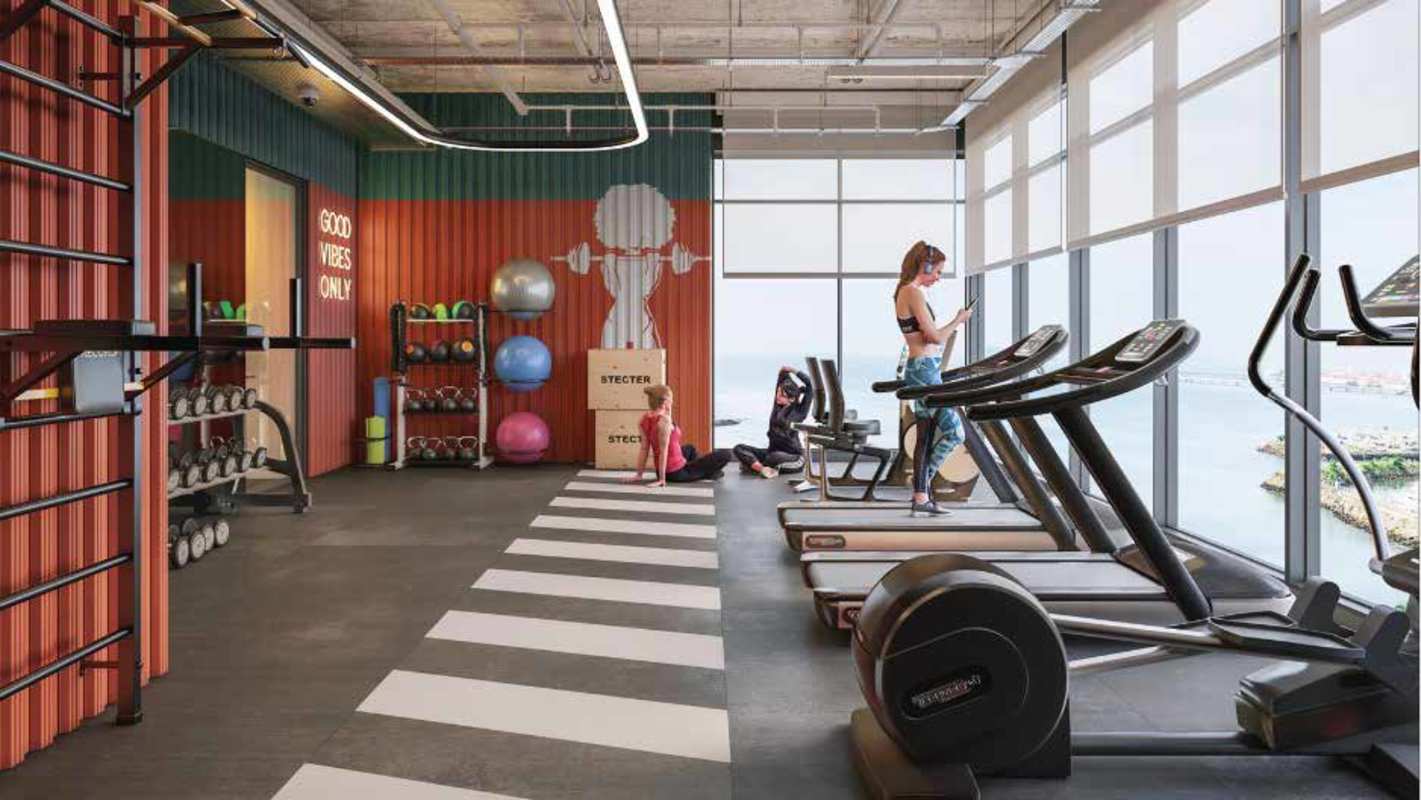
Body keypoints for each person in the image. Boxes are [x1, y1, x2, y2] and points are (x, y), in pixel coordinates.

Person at [894, 240, 973, 515]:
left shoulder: (904, 292)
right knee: (954, 431)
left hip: (923, 368)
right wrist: (959, 320)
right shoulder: (913, 293)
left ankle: (920, 494)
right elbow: (935, 336)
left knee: (925, 437)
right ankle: (922, 485)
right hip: (925, 370)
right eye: (937, 271)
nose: (938, 278)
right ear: (924, 267)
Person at [627, 384, 733, 485]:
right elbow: (663, 452)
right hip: (676, 472)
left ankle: (701, 470)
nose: (672, 401)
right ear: (665, 402)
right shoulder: (664, 422)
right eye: (671, 399)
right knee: (726, 454)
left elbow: (644, 449)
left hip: (665, 469)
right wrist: (662, 480)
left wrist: (639, 474)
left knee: (690, 448)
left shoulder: (645, 419)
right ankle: (707, 473)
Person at [732, 366, 813, 479]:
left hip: (794, 458)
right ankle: (762, 469)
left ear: (792, 399)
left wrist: (795, 371)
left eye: (782, 395)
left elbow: (810, 385)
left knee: (774, 457)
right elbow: (783, 372)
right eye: (778, 392)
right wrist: (787, 369)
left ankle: (753, 465)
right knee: (738, 448)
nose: (777, 397)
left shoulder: (800, 411)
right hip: (771, 452)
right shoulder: (777, 406)